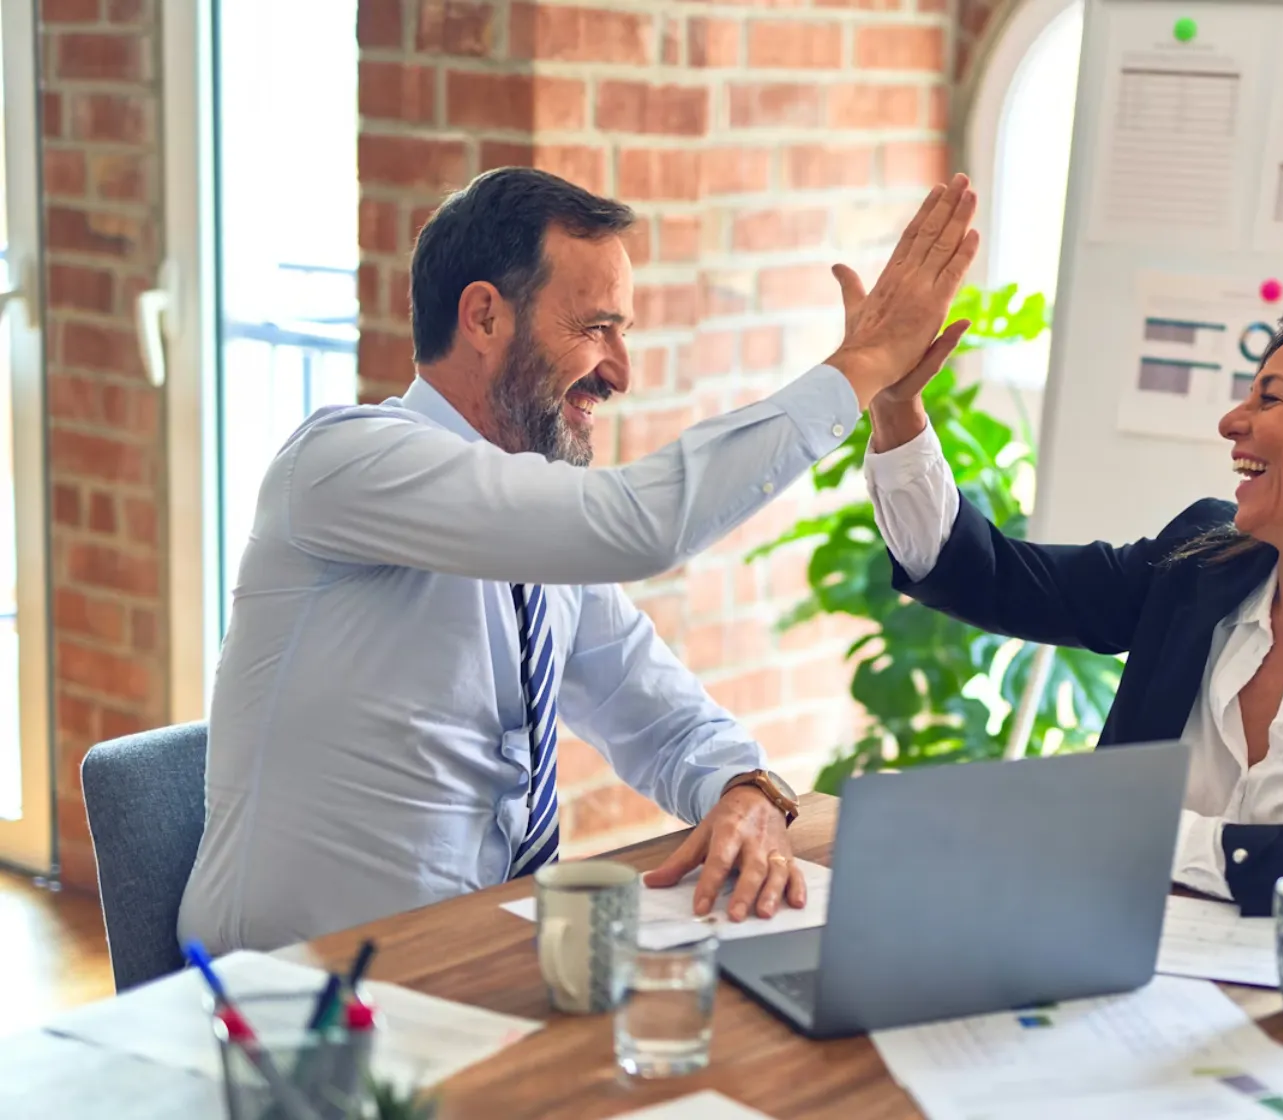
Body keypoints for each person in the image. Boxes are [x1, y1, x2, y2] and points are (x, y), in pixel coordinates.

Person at [179, 167, 979, 953]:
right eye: (597, 327)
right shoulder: (345, 463)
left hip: (474, 969)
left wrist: (745, 789)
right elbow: (641, 525)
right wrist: (864, 365)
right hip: (292, 1001)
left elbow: (660, 716)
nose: (620, 372)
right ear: (485, 318)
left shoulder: (537, 537)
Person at [862, 297, 1283, 935]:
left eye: (1270, 397)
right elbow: (993, 579)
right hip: (1119, 966)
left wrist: (1138, 832)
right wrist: (897, 409)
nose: (1232, 422)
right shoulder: (1200, 566)